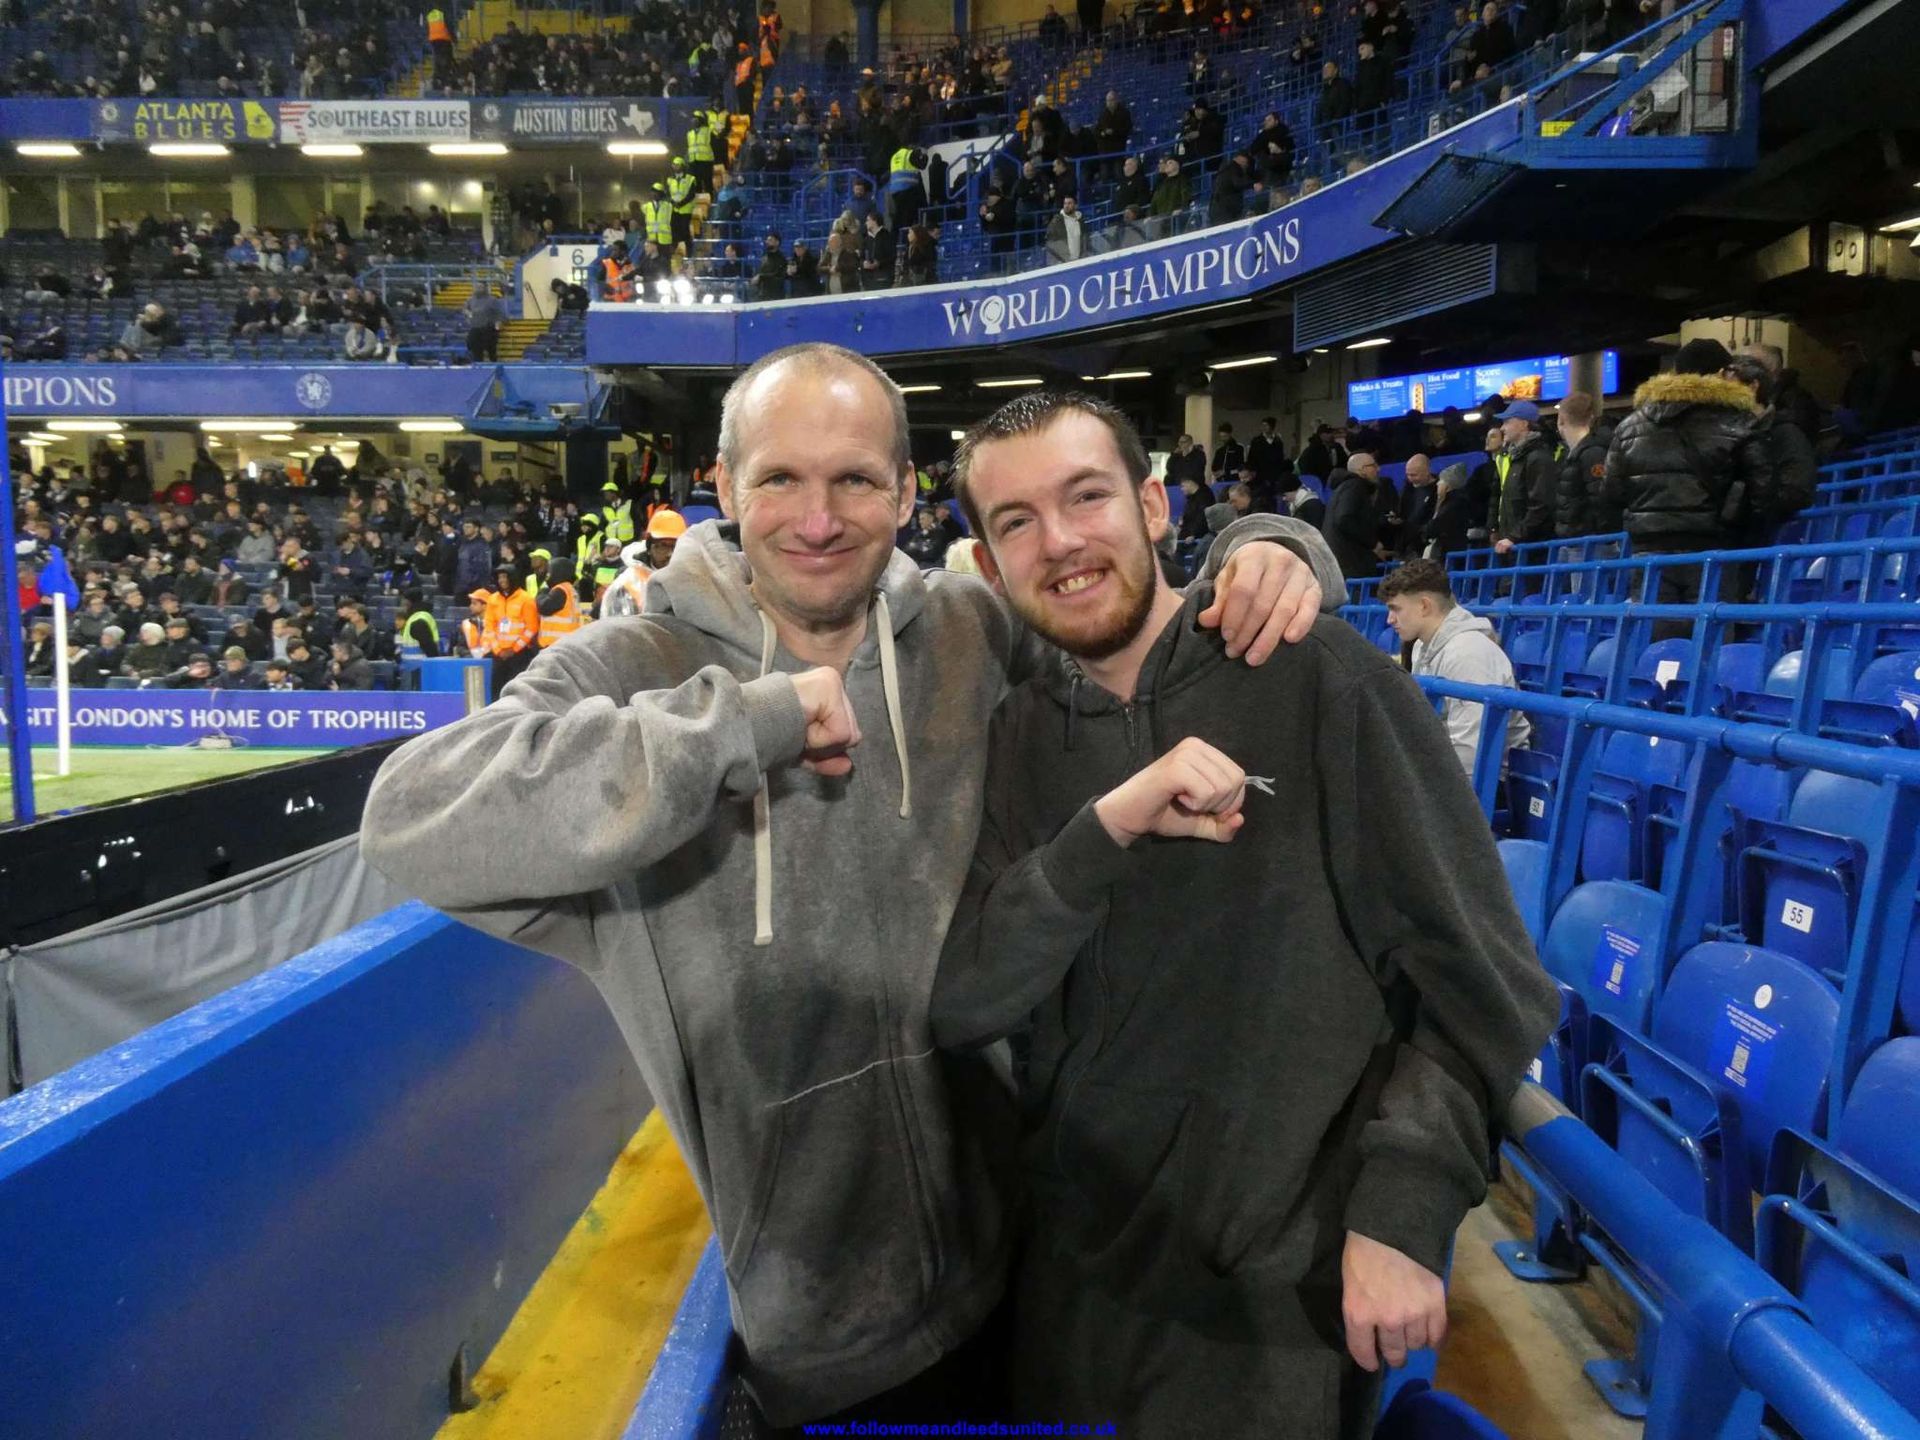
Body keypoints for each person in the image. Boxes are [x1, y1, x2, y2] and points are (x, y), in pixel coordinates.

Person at [358, 342, 1335, 1432]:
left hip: (1038, 1257)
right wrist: (741, 727)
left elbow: (1130, 644)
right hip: (828, 1344)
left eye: (856, 479)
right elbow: (409, 813)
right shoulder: (631, 667)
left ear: (906, 493)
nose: (818, 519)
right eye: (780, 477)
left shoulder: (968, 629)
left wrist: (1267, 551)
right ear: (725, 487)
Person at [931, 390, 1558, 1437]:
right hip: (1075, 1289)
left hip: (1274, 1305)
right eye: (1017, 522)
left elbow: (1480, 978)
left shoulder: (1322, 675)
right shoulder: (1015, 739)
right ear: (990, 568)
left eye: (1086, 497)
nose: (1062, 542)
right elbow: (967, 997)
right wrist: (1099, 835)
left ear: (1154, 507)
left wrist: (1403, 1208)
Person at [1602, 338, 1770, 626]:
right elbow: (1763, 490)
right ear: (1721, 373)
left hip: (1649, 552)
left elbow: (1612, 492)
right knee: (1709, 639)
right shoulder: (1737, 421)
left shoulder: (1629, 425)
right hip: (1713, 549)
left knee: (1654, 643)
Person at [1382, 559, 1532, 775]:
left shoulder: (1468, 652)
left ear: (1424, 606)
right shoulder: (1421, 646)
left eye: (1395, 609)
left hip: (1492, 781)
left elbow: (1471, 753)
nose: (1390, 619)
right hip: (1444, 766)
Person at [1490, 401, 1557, 555]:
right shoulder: (1517, 458)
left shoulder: (1538, 458)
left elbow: (1541, 505)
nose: (1502, 428)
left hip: (1531, 549)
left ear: (1524, 424)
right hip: (1515, 546)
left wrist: (1514, 537)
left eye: (1507, 422)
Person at [1552, 392, 1616, 540]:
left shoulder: (1590, 453)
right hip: (1578, 540)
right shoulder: (1581, 453)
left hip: (1587, 542)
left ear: (1561, 420)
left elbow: (1601, 500)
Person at [1325, 455, 1387, 580]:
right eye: (1373, 465)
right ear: (1362, 470)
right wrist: (1372, 543)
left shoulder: (1344, 487)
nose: (1378, 469)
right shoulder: (1355, 486)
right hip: (1351, 562)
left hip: (1340, 559)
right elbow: (1344, 518)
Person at [482, 563, 540, 687]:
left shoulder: (526, 599)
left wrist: (514, 649)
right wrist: (498, 650)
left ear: (512, 577)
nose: (501, 580)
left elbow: (532, 627)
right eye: (499, 577)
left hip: (520, 654)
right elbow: (489, 627)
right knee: (496, 689)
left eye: (504, 577)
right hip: (499, 655)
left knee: (517, 689)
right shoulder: (492, 599)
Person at [465, 286, 506, 362]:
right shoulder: (470, 300)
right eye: (478, 287)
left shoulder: (492, 300)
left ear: (485, 289)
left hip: (489, 328)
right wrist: (468, 313)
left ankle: (493, 363)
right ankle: (478, 364)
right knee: (474, 347)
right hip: (476, 328)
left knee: (491, 350)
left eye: (481, 287)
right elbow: (466, 309)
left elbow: (500, 313)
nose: (479, 289)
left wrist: (498, 322)